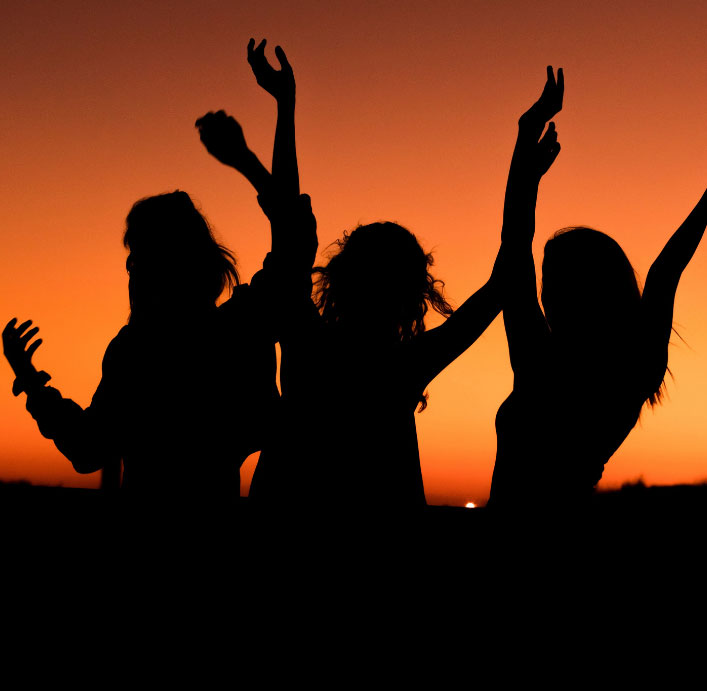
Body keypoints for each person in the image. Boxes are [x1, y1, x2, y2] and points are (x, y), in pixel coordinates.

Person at [197, 39, 504, 510]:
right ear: (413, 294)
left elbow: (291, 232)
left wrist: (280, 114)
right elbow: (502, 282)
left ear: (341, 276)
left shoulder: (307, 339)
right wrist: (524, 163)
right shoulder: (406, 364)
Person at [489, 66, 707, 508]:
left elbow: (514, 244)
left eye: (554, 280)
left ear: (585, 288)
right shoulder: (632, 369)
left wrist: (525, 149)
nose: (544, 293)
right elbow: (665, 272)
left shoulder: (541, 361)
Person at [2, 190, 278, 506]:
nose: (131, 267)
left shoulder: (137, 348)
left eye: (137, 255)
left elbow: (88, 448)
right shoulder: (236, 332)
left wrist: (31, 382)